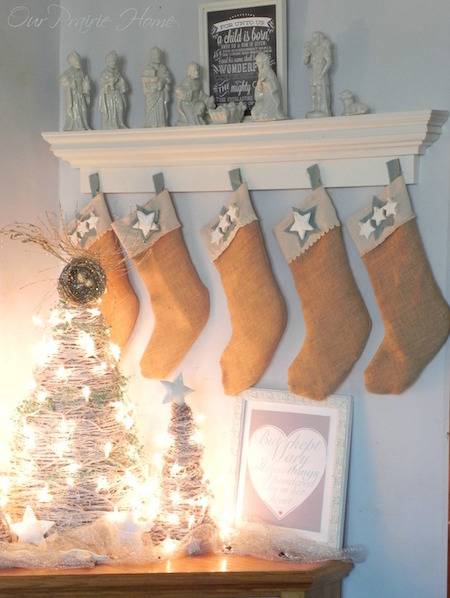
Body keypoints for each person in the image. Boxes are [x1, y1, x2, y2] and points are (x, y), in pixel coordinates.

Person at [60, 51, 91, 131]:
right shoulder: (68, 72)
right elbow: (62, 79)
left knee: (83, 109)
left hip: (81, 95)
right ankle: (75, 126)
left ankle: (84, 124)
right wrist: (70, 83)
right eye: (76, 61)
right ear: (71, 62)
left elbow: (84, 83)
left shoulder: (81, 72)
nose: (78, 63)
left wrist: (86, 85)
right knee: (75, 110)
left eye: (79, 61)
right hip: (74, 97)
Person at [304, 31, 332, 118]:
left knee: (320, 91)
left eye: (316, 38)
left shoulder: (323, 49)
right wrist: (306, 54)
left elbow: (329, 61)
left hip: (320, 74)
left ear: (320, 39)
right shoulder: (312, 50)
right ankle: (314, 108)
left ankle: (320, 109)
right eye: (313, 38)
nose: (314, 40)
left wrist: (323, 72)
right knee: (313, 91)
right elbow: (306, 63)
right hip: (313, 74)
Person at [251, 52, 285, 121]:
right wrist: (259, 87)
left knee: (262, 113)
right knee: (254, 112)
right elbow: (259, 93)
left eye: (259, 63)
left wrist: (266, 85)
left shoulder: (269, 73)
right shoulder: (262, 73)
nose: (258, 65)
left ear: (264, 63)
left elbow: (274, 89)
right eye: (257, 63)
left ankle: (270, 113)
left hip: (270, 102)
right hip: (263, 101)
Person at [142, 47, 171, 128]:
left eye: (158, 55)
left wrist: (163, 81)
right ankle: (150, 124)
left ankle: (161, 124)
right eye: (155, 55)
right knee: (150, 109)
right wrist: (152, 83)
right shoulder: (147, 69)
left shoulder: (163, 68)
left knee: (161, 110)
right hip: (151, 94)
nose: (157, 57)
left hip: (161, 94)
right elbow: (144, 82)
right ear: (152, 56)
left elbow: (168, 79)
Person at [98, 51, 127, 129]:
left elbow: (122, 84)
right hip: (109, 95)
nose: (113, 62)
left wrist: (120, 82)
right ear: (107, 62)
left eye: (114, 61)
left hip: (117, 93)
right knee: (111, 108)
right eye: (111, 61)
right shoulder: (104, 73)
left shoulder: (117, 72)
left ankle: (120, 123)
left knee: (120, 106)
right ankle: (111, 124)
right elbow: (102, 84)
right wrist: (109, 84)